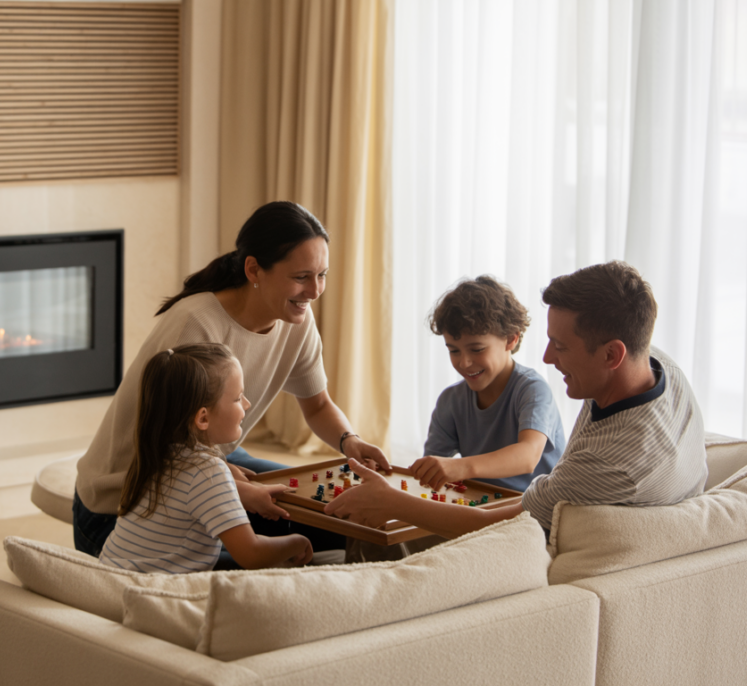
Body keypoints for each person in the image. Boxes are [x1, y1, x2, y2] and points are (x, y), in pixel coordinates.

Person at [74, 201, 391, 557]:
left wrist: (350, 441)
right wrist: (234, 487)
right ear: (254, 269)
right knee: (255, 568)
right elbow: (170, 450)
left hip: (209, 461)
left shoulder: (295, 321)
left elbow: (317, 406)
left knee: (341, 518)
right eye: (301, 277)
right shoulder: (196, 323)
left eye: (322, 275)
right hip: (123, 502)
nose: (315, 291)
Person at [326, 261, 707, 537]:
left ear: (612, 355)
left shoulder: (608, 466)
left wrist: (393, 503)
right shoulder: (659, 366)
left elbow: (502, 524)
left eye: (559, 346)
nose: (545, 358)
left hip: (529, 542)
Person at [99, 344, 313, 572]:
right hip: (152, 592)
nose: (247, 405)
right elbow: (252, 554)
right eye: (238, 398)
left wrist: (233, 480)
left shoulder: (156, 453)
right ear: (203, 418)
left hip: (112, 577)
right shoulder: (207, 471)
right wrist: (298, 541)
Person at [410, 276, 565, 494]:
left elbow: (528, 456)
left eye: (477, 349)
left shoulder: (533, 391)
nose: (463, 362)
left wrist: (460, 467)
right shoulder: (451, 401)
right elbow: (432, 469)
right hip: (483, 507)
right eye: (453, 350)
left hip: (535, 512)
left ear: (511, 339)